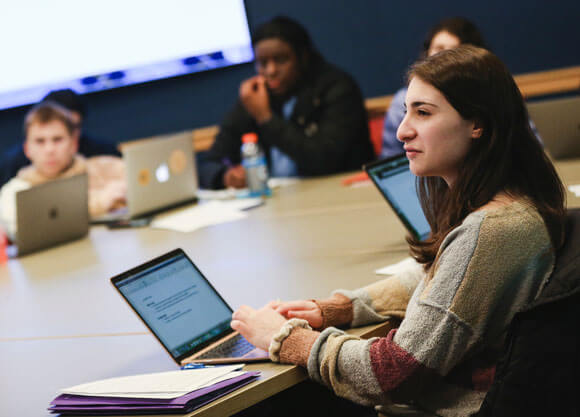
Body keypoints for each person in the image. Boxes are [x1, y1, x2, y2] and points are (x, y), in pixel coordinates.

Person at [230, 46, 567, 416]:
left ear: (477, 124)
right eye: (407, 110)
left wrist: (284, 338)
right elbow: (436, 279)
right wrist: (337, 309)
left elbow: (392, 373)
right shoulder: (512, 204)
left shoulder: (490, 231)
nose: (404, 129)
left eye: (423, 112)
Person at [199, 16, 374, 189]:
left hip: (339, 192)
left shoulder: (336, 87)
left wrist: (266, 119)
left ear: (303, 57)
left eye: (281, 60)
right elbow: (209, 163)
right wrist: (225, 176)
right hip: (279, 202)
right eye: (262, 63)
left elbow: (325, 160)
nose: (271, 71)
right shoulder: (254, 97)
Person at [0, 102, 125, 239]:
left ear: (74, 144)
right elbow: (37, 231)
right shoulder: (15, 192)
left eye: (57, 140)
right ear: (27, 149)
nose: (49, 150)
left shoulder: (105, 168)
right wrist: (101, 202)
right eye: (40, 141)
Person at [381, 17, 487, 159]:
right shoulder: (403, 98)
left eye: (423, 112)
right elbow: (390, 160)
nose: (445, 58)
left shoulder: (493, 95)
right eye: (439, 49)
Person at [0, 88, 120, 187]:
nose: (50, 149)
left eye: (74, 126)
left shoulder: (103, 155)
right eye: (40, 141)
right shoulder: (15, 167)